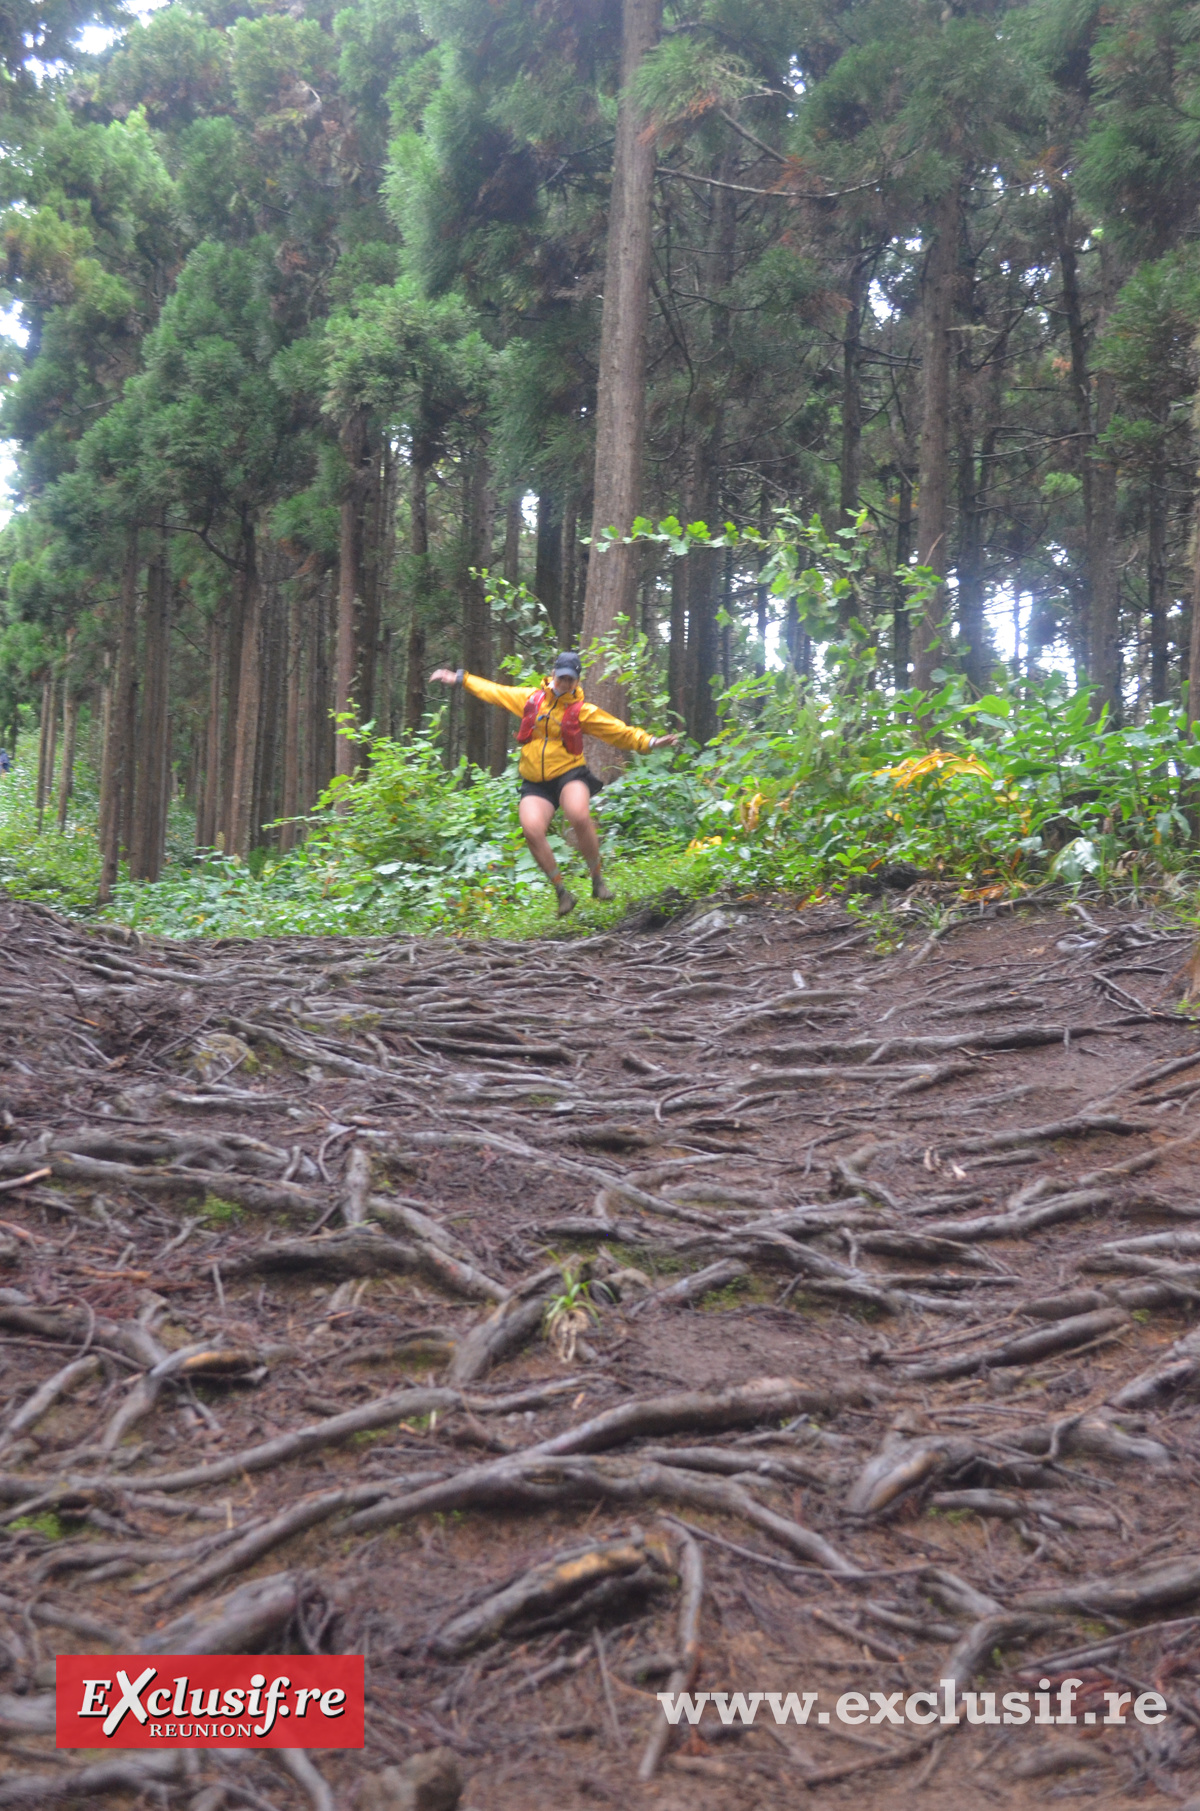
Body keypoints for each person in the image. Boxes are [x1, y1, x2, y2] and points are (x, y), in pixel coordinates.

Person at [431, 653, 680, 916]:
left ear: (576, 681)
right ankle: (562, 892)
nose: (564, 683)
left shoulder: (583, 711)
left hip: (569, 772)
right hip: (536, 781)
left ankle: (597, 880)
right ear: (553, 674)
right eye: (561, 677)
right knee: (531, 829)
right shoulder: (531, 699)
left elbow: (618, 731)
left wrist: (650, 742)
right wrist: (461, 678)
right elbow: (496, 692)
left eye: (569, 680)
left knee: (578, 814)